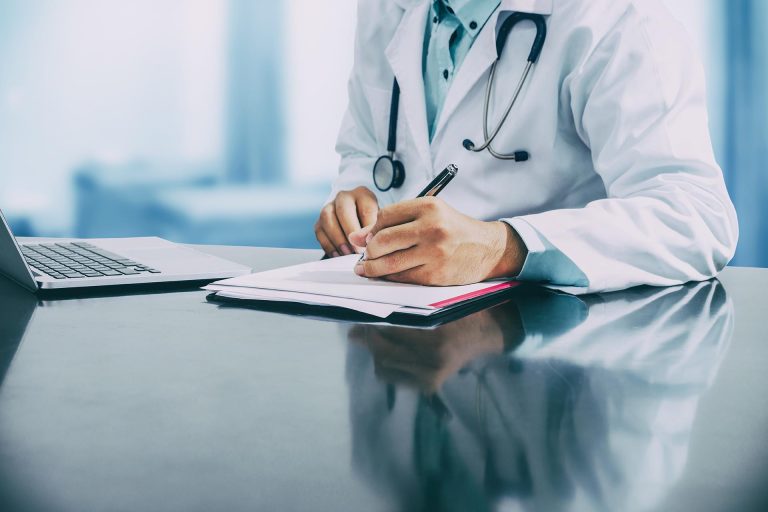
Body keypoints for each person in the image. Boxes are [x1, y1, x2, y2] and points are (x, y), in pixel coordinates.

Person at [314, 0, 739, 292]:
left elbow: (695, 216)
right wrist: (354, 201)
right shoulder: (386, 8)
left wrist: (503, 247)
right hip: (399, 340)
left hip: (550, 354)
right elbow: (366, 152)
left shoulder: (615, 17)